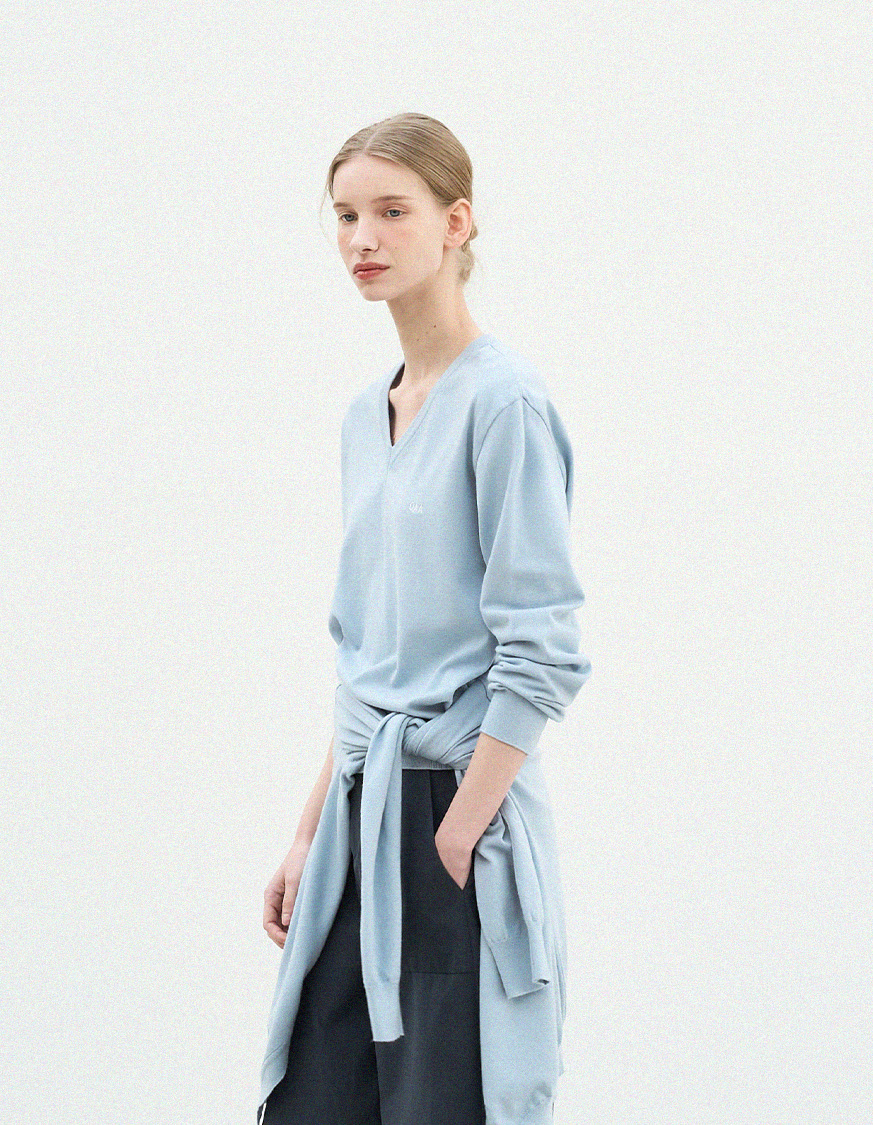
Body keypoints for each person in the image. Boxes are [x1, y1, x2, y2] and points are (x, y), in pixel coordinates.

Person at [257, 112, 591, 1125]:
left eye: (392, 212)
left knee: (450, 1104)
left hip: (455, 809)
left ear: (457, 222)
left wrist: (457, 833)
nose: (363, 238)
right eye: (346, 215)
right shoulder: (367, 416)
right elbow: (367, 655)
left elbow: (542, 648)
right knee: (320, 1097)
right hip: (361, 811)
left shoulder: (506, 404)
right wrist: (310, 832)